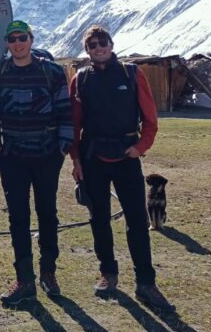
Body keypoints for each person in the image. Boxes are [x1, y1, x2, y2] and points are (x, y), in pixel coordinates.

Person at [69, 25, 176, 312]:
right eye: (92, 44)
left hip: (127, 158)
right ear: (87, 50)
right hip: (93, 158)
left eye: (102, 42)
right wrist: (76, 160)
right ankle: (108, 273)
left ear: (112, 44)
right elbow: (74, 124)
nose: (98, 47)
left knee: (138, 221)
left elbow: (150, 118)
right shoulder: (80, 79)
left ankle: (146, 282)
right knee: (99, 218)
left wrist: (140, 148)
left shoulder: (132, 74)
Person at [0, 20, 72, 304]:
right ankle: (24, 280)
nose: (17, 43)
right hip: (13, 158)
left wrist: (61, 150)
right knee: (17, 218)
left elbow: (66, 113)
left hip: (47, 156)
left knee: (47, 213)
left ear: (31, 40)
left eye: (22, 37)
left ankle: (49, 273)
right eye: (12, 39)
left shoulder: (52, 71)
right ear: (7, 43)